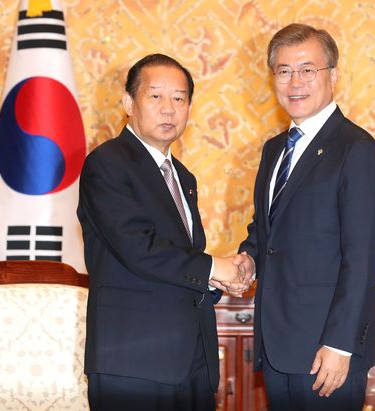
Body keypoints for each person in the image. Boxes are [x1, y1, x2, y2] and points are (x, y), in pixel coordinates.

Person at [77, 53, 246, 411]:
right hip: (133, 361)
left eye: (179, 98)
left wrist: (215, 280)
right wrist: (214, 266)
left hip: (192, 359)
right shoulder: (106, 163)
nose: (169, 108)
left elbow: (179, 259)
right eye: (155, 96)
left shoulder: (183, 177)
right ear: (128, 103)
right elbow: (139, 248)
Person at [236, 23, 375, 410]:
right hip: (278, 343)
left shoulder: (356, 149)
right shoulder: (274, 150)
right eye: (284, 71)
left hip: (326, 349)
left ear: (333, 75)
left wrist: (339, 344)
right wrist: (248, 257)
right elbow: (267, 229)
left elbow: (362, 258)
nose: (295, 82)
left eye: (308, 69)